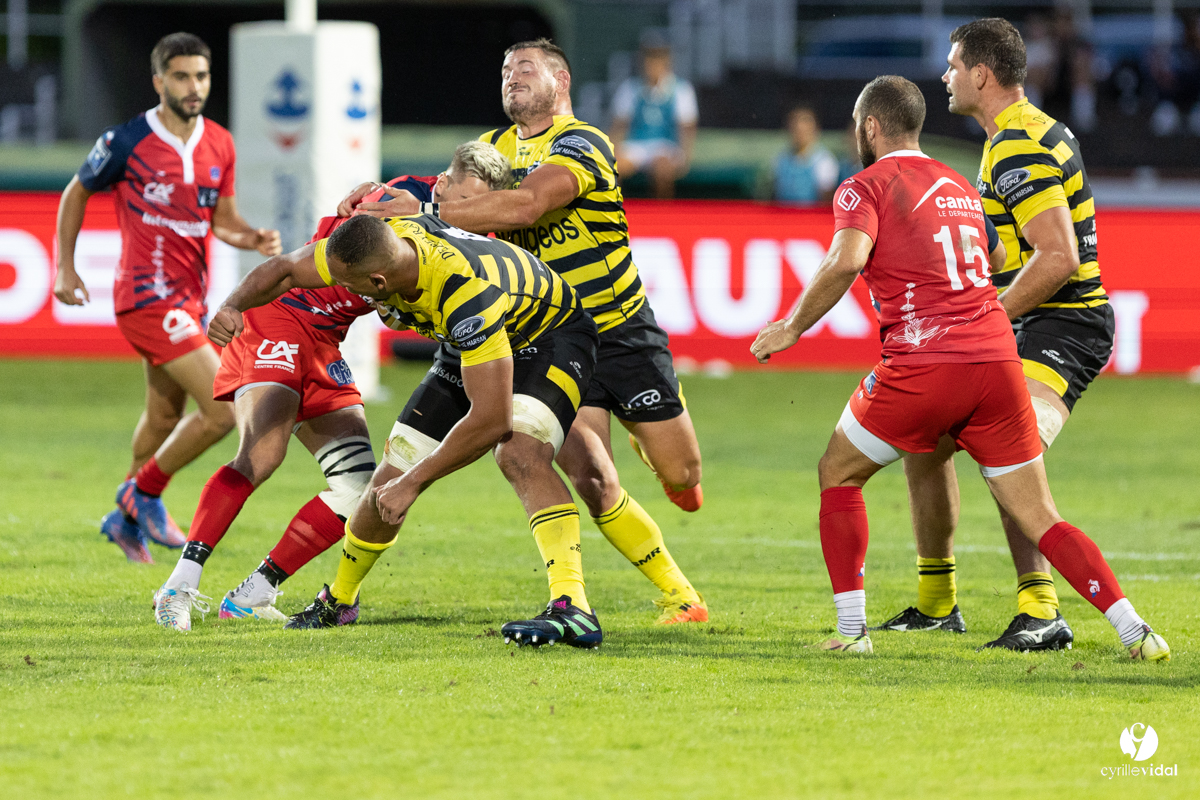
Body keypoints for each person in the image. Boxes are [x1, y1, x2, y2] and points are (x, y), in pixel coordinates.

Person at [750, 75, 1169, 662]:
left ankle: (852, 632)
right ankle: (1135, 630)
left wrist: (792, 325)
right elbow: (995, 256)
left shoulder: (862, 187)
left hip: (924, 360)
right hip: (997, 357)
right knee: (1039, 513)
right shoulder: (958, 182)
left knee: (838, 471)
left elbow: (846, 259)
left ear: (870, 127)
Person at [338, 38, 708, 626]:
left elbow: (527, 207)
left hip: (620, 329)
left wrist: (419, 216)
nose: (512, 77)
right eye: (505, 69)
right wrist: (380, 193)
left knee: (682, 475)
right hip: (554, 331)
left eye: (525, 68)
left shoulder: (583, 142)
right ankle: (676, 598)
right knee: (581, 471)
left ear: (560, 80)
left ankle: (660, 457)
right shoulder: (491, 148)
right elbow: (440, 188)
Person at [151, 142, 512, 631]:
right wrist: (233, 305)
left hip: (323, 341)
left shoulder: (453, 230)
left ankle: (255, 590)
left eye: (475, 207)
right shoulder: (395, 204)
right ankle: (178, 586)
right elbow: (298, 263)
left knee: (359, 487)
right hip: (280, 318)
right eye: (460, 200)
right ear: (443, 184)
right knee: (262, 454)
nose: (464, 214)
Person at [207, 212, 605, 648]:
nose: (344, 293)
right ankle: (339, 600)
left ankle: (573, 608)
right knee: (386, 479)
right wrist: (232, 306)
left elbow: (491, 420)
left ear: (378, 282)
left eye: (351, 286)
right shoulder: (379, 243)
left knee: (517, 453)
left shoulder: (464, 291)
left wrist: (415, 483)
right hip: (470, 343)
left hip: (549, 337)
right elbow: (284, 269)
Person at [872, 18, 1117, 651]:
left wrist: (989, 315)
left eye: (953, 66)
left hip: (1065, 323)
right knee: (925, 438)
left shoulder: (1016, 145)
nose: (945, 76)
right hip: (1039, 321)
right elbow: (1025, 246)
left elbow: (1058, 255)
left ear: (981, 74)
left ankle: (1042, 612)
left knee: (1013, 445)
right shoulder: (1015, 135)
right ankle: (936, 603)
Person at [53, 32, 281, 563]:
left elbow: (221, 218)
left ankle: (126, 521)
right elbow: (75, 191)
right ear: (160, 81)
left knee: (162, 418)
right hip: (145, 297)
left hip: (188, 300)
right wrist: (65, 267)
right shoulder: (127, 140)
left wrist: (251, 238)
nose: (193, 86)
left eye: (201, 76)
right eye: (181, 76)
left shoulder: (219, 143)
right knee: (224, 410)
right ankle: (142, 493)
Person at [608, 33, 699, 199]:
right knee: (612, 167)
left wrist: (685, 157)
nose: (652, 63)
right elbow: (619, 126)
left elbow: (686, 128)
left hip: (667, 146)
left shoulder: (681, 90)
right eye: (649, 58)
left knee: (662, 168)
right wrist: (611, 153)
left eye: (658, 58)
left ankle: (661, 216)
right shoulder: (630, 88)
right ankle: (615, 213)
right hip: (637, 145)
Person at [772, 106, 839, 204]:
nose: (799, 133)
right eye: (795, 128)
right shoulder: (781, 159)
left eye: (804, 130)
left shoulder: (824, 162)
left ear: (815, 130)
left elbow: (826, 202)